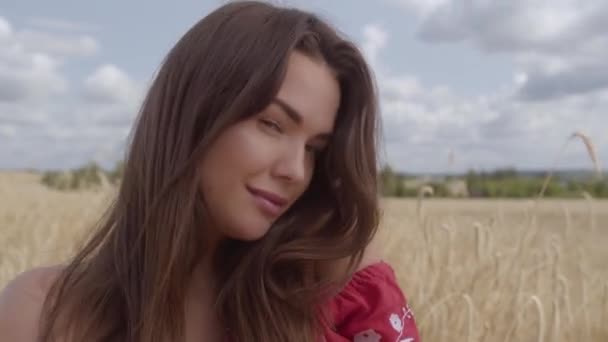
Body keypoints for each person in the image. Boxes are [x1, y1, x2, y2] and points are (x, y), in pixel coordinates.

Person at [0, 1, 420, 341]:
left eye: (314, 149)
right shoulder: (41, 315)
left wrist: (358, 265)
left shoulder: (327, 312)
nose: (296, 170)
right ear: (194, 114)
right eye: (272, 125)